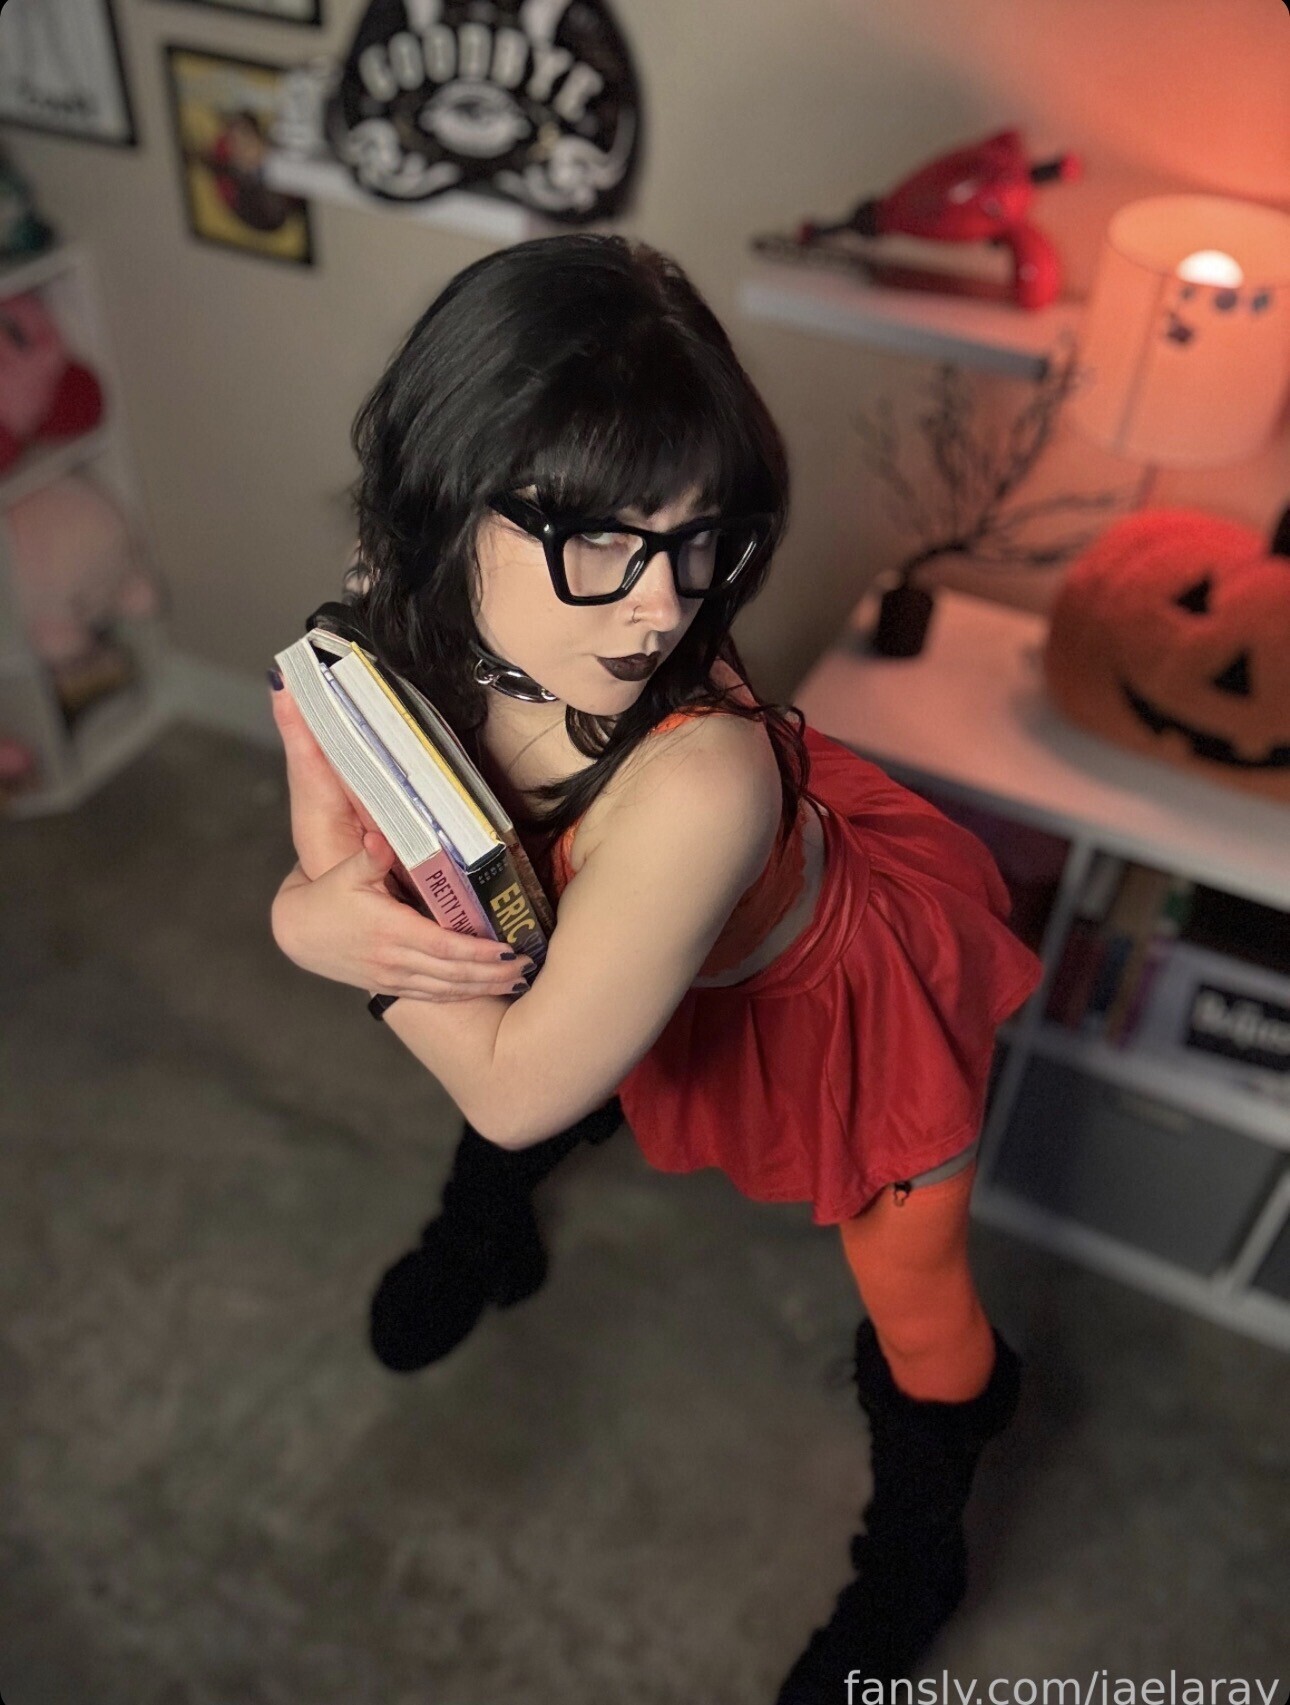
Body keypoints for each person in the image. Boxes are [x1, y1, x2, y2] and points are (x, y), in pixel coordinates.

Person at [267, 232, 1045, 1698]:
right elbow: (374, 803)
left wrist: (317, 920)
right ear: (446, 495)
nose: (663, 606)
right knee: (539, 998)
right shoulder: (401, 603)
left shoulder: (700, 782)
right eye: (602, 540)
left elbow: (512, 1082)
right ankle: (484, 1239)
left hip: (831, 999)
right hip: (603, 938)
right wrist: (315, 902)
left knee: (919, 1293)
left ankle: (917, 1555)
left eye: (701, 540)